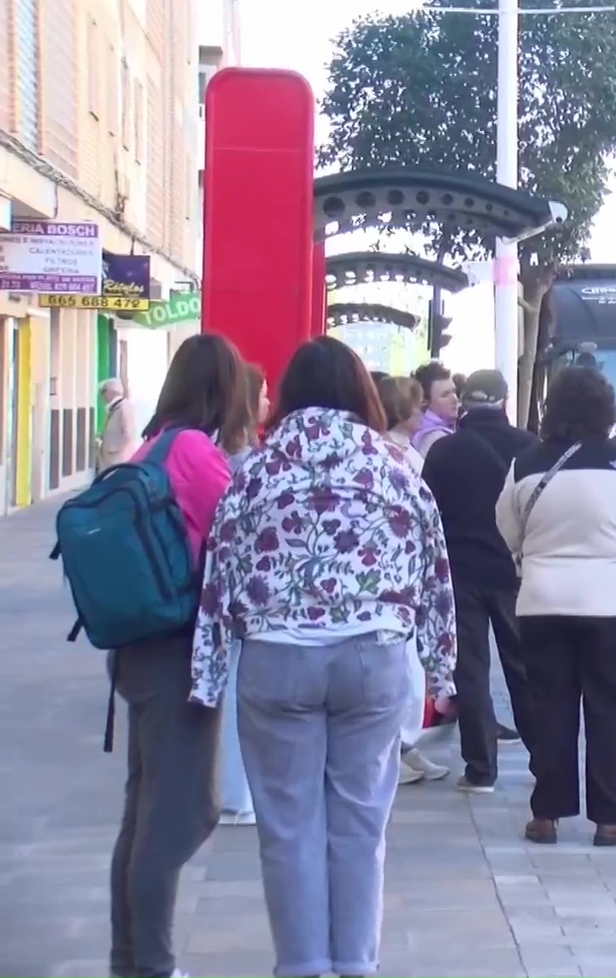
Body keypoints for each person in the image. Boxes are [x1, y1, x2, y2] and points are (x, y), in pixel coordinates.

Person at [192, 336, 456, 978]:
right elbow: (435, 573)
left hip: (276, 657)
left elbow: (218, 575)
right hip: (373, 656)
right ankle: (356, 963)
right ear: (362, 396)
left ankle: (303, 965)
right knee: (361, 822)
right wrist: (441, 670)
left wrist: (207, 677)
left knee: (288, 824)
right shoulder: (396, 469)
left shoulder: (255, 472)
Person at [108, 333, 253, 978]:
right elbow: (244, 530)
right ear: (224, 390)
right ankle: (154, 964)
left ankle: (131, 959)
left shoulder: (154, 443)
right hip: (175, 653)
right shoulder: (194, 450)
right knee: (181, 813)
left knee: (143, 812)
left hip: (139, 649)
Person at [497, 365, 616, 847]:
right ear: (606, 412)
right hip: (611, 605)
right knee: (609, 712)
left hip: (541, 602)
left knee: (550, 707)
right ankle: (610, 816)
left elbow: (508, 528)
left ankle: (546, 814)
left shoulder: (525, 464)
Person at [420, 368, 537, 793]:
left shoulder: (445, 451)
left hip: (460, 572)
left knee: (470, 670)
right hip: (514, 570)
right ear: (505, 401)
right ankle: (546, 761)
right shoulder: (530, 447)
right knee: (525, 667)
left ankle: (480, 768)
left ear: (466, 401)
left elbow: (426, 512)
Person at [377, 373, 451, 785]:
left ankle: (406, 745)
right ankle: (397, 747)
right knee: (404, 668)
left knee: (412, 669)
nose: (423, 412)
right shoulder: (389, 454)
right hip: (401, 574)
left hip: (412, 572)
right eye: (417, 405)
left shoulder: (405, 449)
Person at [216, 362, 272, 828]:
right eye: (264, 393)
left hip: (233, 596)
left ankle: (240, 791)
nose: (270, 402)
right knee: (239, 695)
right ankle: (239, 793)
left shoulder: (228, 456)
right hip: (242, 599)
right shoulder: (243, 463)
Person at [411, 362, 460, 455]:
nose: (455, 399)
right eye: (445, 395)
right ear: (424, 401)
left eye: (454, 391)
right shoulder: (434, 438)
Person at [97, 377, 136, 472]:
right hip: (111, 460)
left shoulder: (124, 407)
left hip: (118, 460)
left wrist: (114, 449)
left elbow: (129, 433)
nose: (102, 395)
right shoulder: (114, 408)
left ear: (112, 391)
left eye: (104, 391)